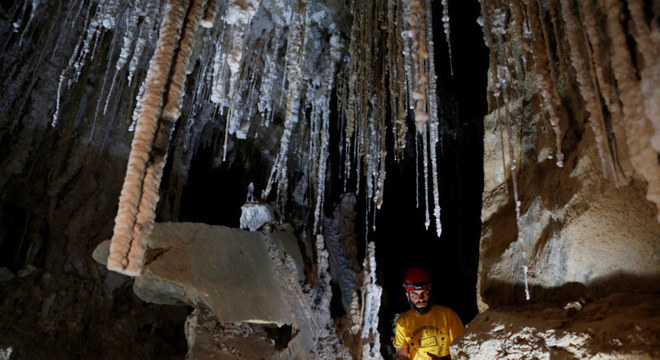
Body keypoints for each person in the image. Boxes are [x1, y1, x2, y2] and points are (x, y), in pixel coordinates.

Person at [393, 267, 465, 360]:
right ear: (408, 295)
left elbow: (462, 349)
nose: (421, 298)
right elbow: (401, 355)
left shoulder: (447, 315)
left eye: (424, 292)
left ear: (430, 292)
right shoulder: (403, 322)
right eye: (415, 294)